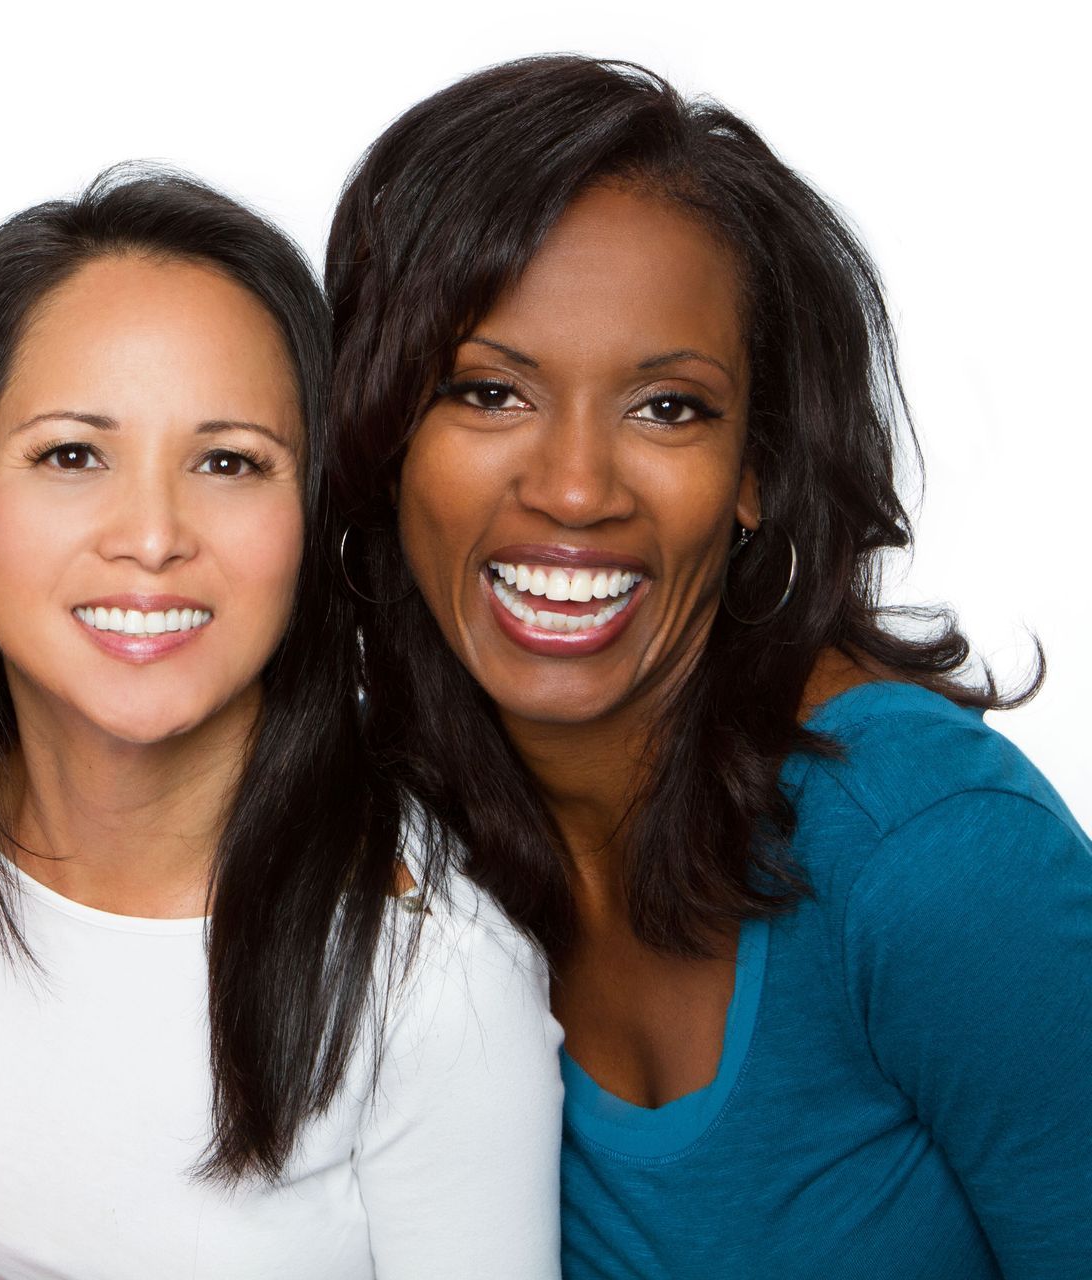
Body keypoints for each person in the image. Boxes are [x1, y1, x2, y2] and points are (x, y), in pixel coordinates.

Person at [326, 54, 1092, 1278]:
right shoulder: (402, 833)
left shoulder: (936, 858)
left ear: (756, 471)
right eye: (487, 390)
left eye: (667, 408)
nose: (574, 487)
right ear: (381, 436)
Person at [0, 166, 562, 1278]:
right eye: (72, 454)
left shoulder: (435, 978)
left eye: (229, 461)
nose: (152, 534)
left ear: (315, 525)